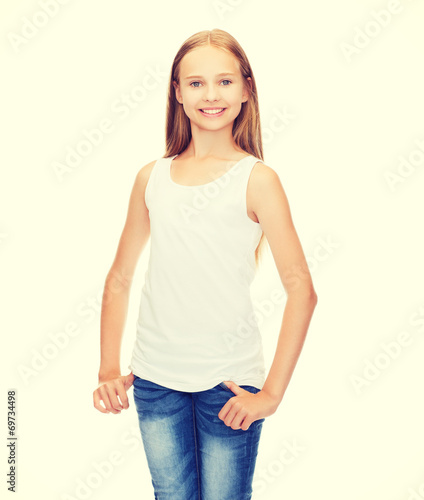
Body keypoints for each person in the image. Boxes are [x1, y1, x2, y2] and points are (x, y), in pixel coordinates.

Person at [93, 28, 317, 499]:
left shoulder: (258, 180)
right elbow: (119, 278)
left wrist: (271, 393)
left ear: (246, 89)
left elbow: (301, 289)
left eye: (225, 82)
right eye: (195, 83)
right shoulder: (151, 178)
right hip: (155, 379)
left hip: (230, 384)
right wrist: (107, 368)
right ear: (176, 93)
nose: (210, 95)